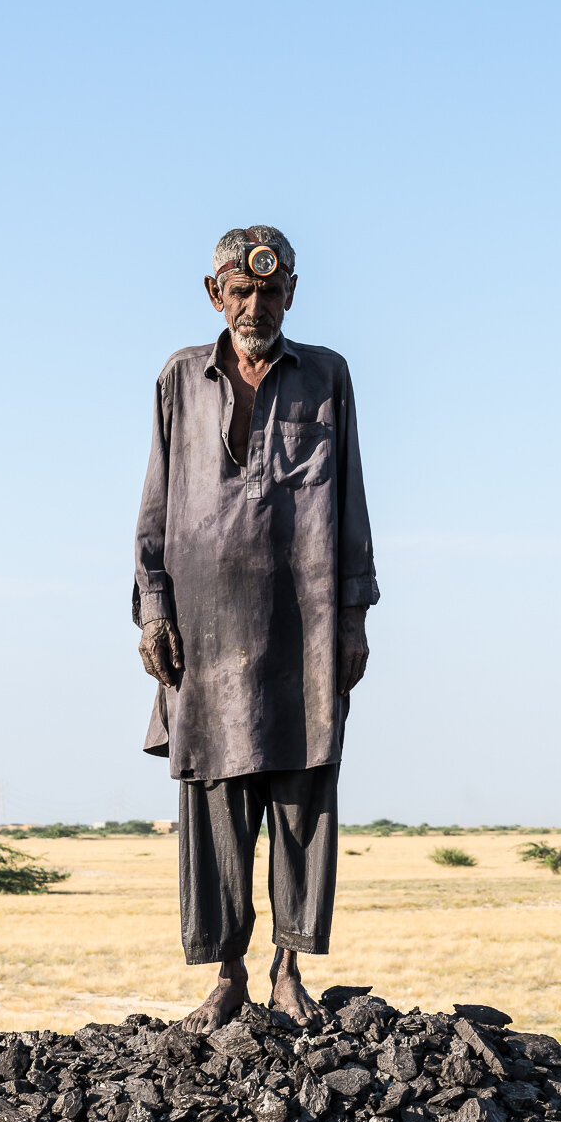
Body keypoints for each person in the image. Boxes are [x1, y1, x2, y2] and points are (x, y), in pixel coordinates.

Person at [133, 225, 378, 1032]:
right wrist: (153, 608)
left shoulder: (326, 377)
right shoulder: (179, 378)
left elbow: (351, 509)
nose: (254, 305)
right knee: (213, 799)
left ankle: (287, 970)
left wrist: (352, 615)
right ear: (214, 295)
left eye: (269, 292)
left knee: (304, 790)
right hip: (202, 627)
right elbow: (156, 503)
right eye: (239, 292)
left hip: (303, 624)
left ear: (291, 294)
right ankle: (228, 975)